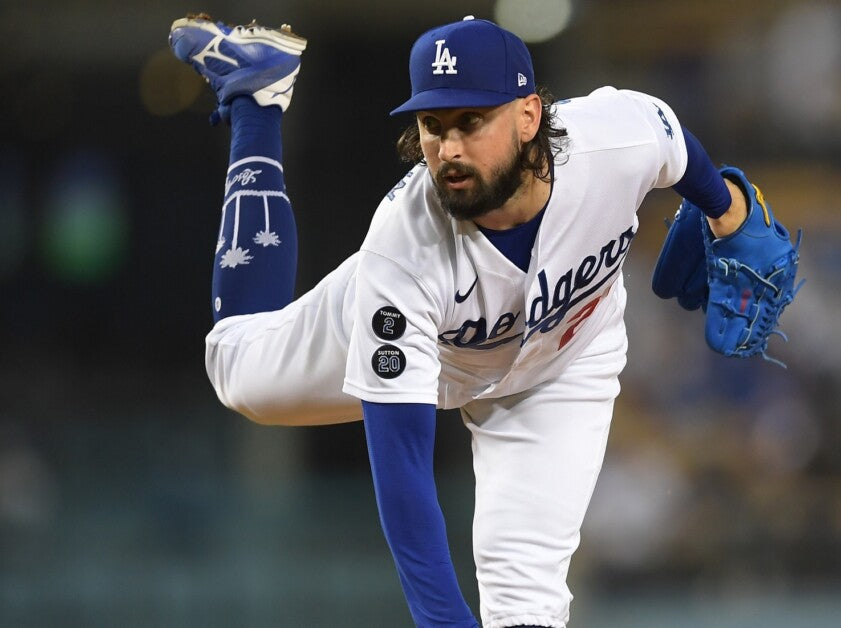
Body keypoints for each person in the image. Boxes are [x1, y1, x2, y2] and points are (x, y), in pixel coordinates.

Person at [169, 13, 751, 628]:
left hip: (561, 360)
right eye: (432, 125)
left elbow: (676, 147)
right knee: (235, 370)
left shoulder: (612, 142)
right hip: (423, 343)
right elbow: (403, 469)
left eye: (471, 122)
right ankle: (256, 99)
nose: (448, 149)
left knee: (528, 602)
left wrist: (730, 214)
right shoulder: (403, 251)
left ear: (529, 116)